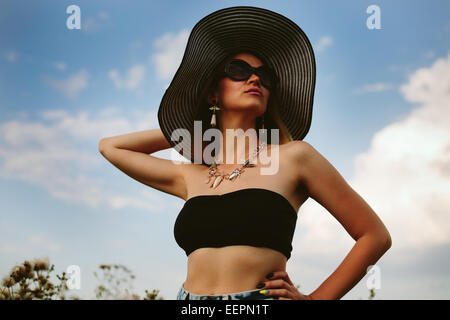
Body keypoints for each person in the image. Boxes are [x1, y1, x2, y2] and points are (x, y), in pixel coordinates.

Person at [99, 6, 392, 300]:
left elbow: (374, 236)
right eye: (239, 71)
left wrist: (315, 300)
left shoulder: (295, 157)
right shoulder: (190, 175)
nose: (254, 80)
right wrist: (192, 127)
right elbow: (110, 147)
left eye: (264, 77)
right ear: (213, 93)